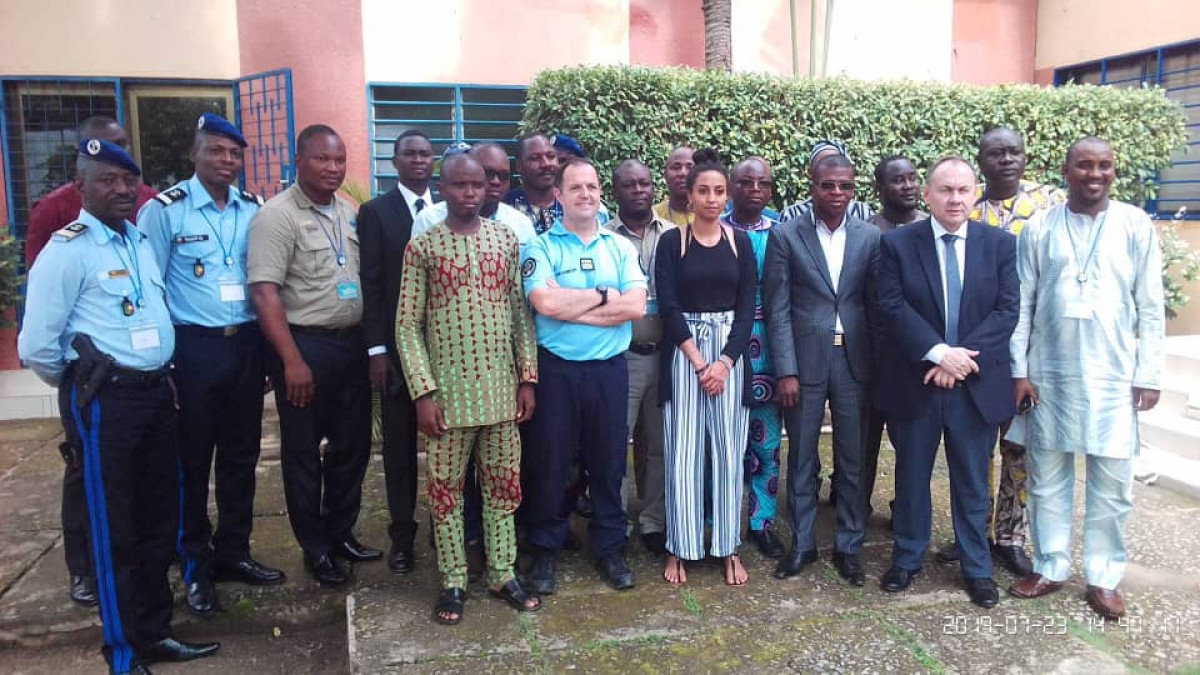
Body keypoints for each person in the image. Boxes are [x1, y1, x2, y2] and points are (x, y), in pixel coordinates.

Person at [19, 139, 219, 674]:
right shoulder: (67, 250)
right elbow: (36, 345)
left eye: (128, 181)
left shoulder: (137, 240)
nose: (121, 190)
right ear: (79, 187)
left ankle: (155, 633)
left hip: (156, 395)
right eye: (107, 180)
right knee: (115, 529)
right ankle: (124, 654)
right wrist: (90, 385)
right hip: (107, 403)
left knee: (159, 522)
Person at [1008, 136, 1164, 620]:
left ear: (1113, 171)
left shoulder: (1135, 225)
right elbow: (1022, 305)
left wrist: (1150, 372)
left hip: (1115, 374)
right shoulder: (1040, 228)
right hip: (1050, 373)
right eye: (1084, 165)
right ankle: (1051, 564)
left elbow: (1151, 306)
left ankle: (1103, 576)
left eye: (1104, 166)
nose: (1094, 174)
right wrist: (1019, 371)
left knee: (1113, 484)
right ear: (1066, 169)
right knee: (1048, 477)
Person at [137, 114, 285, 618]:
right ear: (195, 154)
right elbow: (149, 288)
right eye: (217, 151)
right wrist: (165, 364)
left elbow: (265, 284)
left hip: (244, 344)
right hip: (192, 349)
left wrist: (266, 352)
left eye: (234, 153)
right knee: (192, 462)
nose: (227, 161)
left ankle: (234, 551)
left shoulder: (253, 210)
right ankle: (195, 564)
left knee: (242, 457)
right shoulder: (164, 212)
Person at [395, 153, 542, 625]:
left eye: (478, 185)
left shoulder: (506, 241)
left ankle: (502, 572)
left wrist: (527, 379)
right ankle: (454, 580)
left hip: (501, 398)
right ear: (443, 187)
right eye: (460, 186)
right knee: (445, 495)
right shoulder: (424, 247)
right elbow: (406, 326)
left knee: (504, 490)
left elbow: (521, 315)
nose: (471, 194)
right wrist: (423, 393)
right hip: (447, 403)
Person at [23, 116, 157, 608]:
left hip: (148, 388)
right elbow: (39, 334)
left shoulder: (141, 223)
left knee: (139, 494)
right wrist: (79, 381)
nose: (121, 184)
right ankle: (85, 572)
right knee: (89, 483)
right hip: (97, 389)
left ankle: (144, 593)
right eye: (107, 172)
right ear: (83, 178)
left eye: (128, 166)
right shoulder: (57, 217)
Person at [875, 156, 1018, 609]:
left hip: (972, 388)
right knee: (912, 478)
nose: (955, 198)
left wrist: (959, 361)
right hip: (919, 382)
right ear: (929, 195)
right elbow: (892, 306)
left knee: (972, 484)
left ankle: (977, 569)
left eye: (963, 190)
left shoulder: (999, 245)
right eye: (945, 190)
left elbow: (1006, 311)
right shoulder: (899, 244)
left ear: (974, 193)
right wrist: (939, 354)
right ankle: (907, 558)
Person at [248, 125, 379, 587]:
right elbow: (265, 293)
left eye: (340, 160)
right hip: (305, 347)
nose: (334, 168)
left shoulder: (348, 212)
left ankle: (341, 532)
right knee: (304, 454)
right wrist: (290, 361)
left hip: (350, 346)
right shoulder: (276, 216)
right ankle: (316, 549)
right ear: (299, 161)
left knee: (352, 447)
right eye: (323, 159)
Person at [936, 127, 1069, 577]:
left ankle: (1011, 536)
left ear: (1025, 157)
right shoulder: (961, 206)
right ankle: (970, 534)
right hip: (973, 355)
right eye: (996, 153)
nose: (1007, 160)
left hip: (1028, 355)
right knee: (972, 453)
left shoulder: (1050, 209)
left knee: (1018, 452)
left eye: (1014, 151)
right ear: (982, 161)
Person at [520, 158, 647, 594]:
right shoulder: (541, 247)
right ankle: (544, 550)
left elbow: (635, 307)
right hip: (557, 373)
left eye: (592, 187)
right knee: (550, 463)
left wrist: (576, 308)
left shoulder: (619, 247)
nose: (586, 194)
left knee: (609, 462)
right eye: (576, 187)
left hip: (609, 372)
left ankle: (610, 549)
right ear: (559, 194)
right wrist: (601, 297)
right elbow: (545, 305)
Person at [764, 154, 880, 586]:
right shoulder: (786, 235)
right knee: (802, 459)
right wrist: (786, 371)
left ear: (854, 189)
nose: (837, 194)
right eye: (828, 185)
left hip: (854, 361)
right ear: (811, 185)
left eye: (845, 187)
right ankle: (803, 543)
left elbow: (874, 304)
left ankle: (849, 546)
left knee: (853, 460)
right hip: (805, 362)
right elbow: (776, 308)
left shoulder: (869, 237)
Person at [655, 149, 756, 587]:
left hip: (729, 356)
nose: (712, 199)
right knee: (684, 453)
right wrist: (700, 362)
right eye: (703, 191)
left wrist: (725, 362)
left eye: (719, 191)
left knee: (730, 454)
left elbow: (747, 309)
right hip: (685, 353)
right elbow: (669, 306)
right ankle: (681, 546)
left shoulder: (741, 242)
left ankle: (728, 547)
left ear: (727, 195)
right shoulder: (672, 242)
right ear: (689, 196)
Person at [355, 129, 435, 574]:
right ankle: (402, 534)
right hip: (396, 350)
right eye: (410, 154)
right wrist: (377, 350)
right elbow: (372, 283)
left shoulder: (446, 210)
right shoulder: (375, 213)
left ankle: (450, 527)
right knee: (400, 447)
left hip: (443, 348)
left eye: (426, 154)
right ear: (395, 160)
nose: (419, 161)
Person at [606, 158, 674, 556]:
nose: (638, 191)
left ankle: (653, 522)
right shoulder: (604, 238)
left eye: (644, 184)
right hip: (622, 356)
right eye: (629, 185)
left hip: (665, 355)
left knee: (660, 445)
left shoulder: (672, 235)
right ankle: (614, 525)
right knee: (615, 443)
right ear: (616, 192)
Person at [721, 156, 784, 560]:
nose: (755, 190)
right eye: (746, 182)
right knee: (723, 439)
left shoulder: (783, 233)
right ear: (732, 186)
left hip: (773, 348)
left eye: (763, 183)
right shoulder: (714, 231)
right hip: (724, 345)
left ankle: (762, 521)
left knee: (767, 443)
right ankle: (718, 521)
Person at [862, 155, 927, 522]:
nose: (907, 186)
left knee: (910, 444)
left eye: (912, 178)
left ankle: (907, 511)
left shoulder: (931, 229)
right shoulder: (868, 232)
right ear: (880, 188)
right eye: (897, 180)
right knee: (864, 441)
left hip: (915, 359)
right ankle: (855, 506)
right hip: (871, 355)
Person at [24, 116, 158, 266]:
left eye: (120, 145)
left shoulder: (150, 201)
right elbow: (39, 275)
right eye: (103, 146)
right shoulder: (51, 208)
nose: (114, 152)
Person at [412, 143, 536, 244]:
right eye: (488, 173)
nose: (496, 181)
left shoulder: (521, 224)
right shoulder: (429, 220)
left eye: (503, 176)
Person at [506, 133, 607, 235]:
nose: (546, 164)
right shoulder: (506, 207)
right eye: (536, 158)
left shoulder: (584, 205)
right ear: (519, 165)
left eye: (551, 156)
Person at [778, 140, 875, 225]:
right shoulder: (792, 214)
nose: (830, 168)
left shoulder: (862, 212)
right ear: (810, 172)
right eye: (822, 164)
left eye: (835, 162)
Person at [653, 145, 695, 228]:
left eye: (690, 168)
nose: (683, 173)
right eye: (676, 167)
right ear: (665, 174)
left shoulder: (714, 215)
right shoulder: (653, 216)